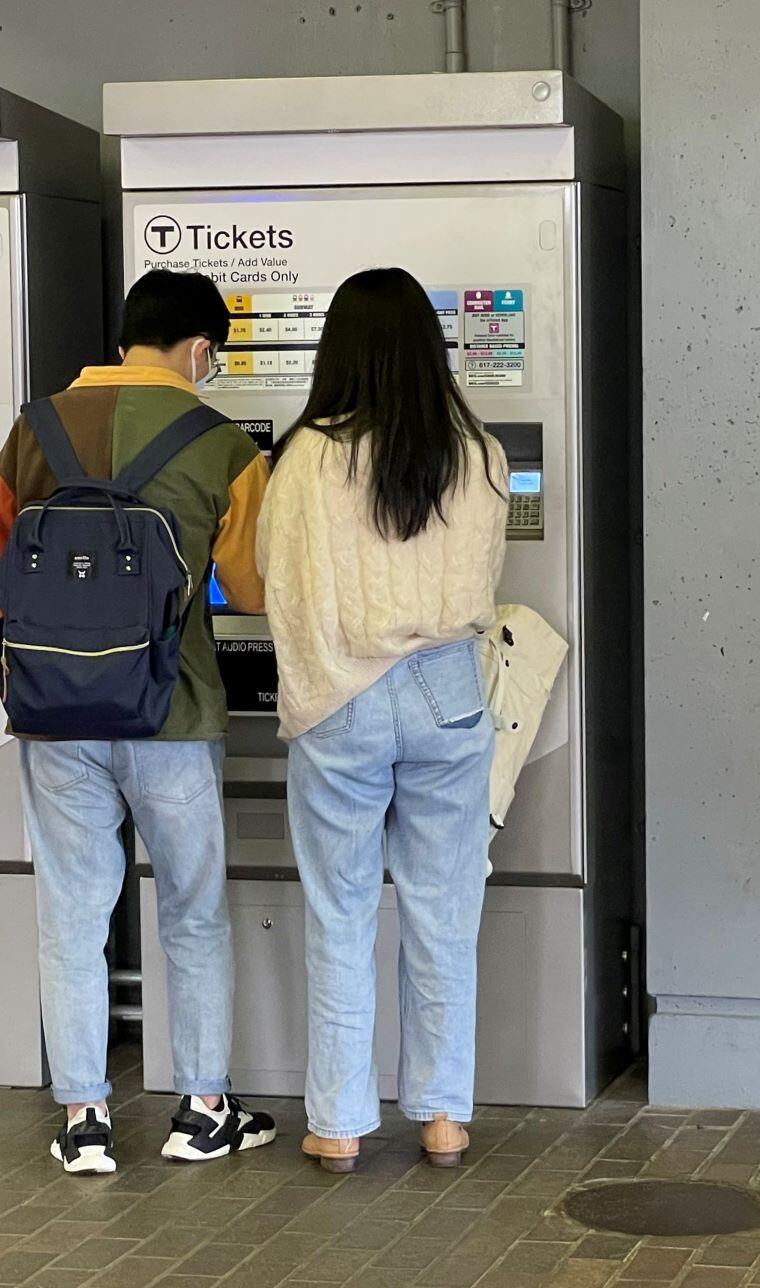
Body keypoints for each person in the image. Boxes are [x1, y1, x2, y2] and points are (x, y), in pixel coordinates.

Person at [0, 270, 278, 1175]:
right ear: (197, 350)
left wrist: (28, 681)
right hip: (174, 712)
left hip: (54, 723)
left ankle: (84, 1120)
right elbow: (252, 587)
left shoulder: (34, 428)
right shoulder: (223, 445)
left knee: (71, 915)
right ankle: (202, 1110)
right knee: (192, 910)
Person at [257, 267, 507, 1173]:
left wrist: (317, 682)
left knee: (341, 912)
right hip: (448, 690)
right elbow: (484, 582)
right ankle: (443, 1118)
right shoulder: (477, 451)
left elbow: (279, 587)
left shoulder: (308, 457)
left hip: (342, 692)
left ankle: (338, 1123)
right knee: (446, 914)